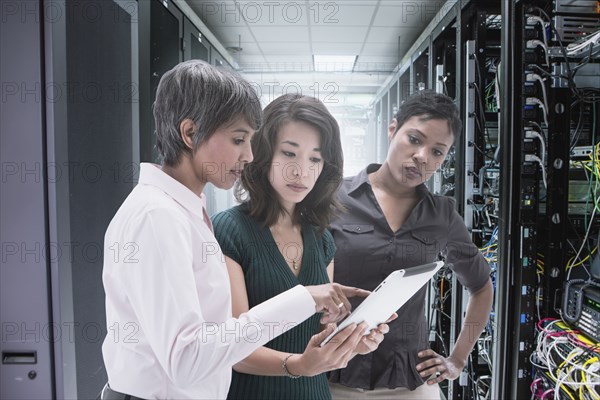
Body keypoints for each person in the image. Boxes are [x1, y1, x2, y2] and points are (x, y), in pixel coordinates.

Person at [100, 61, 370, 400]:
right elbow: (186, 360)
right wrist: (303, 299)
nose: (249, 155)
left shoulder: (183, 213)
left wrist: (343, 336)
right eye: (239, 139)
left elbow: (214, 339)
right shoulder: (158, 217)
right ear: (189, 133)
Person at [212, 94, 394, 400]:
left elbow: (317, 343)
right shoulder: (229, 230)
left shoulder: (321, 239)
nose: (301, 171)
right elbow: (234, 349)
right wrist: (297, 366)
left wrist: (352, 344)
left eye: (315, 158)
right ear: (263, 153)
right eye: (289, 153)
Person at [328, 90, 494, 399]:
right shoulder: (334, 198)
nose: (422, 157)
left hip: (408, 381)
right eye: (415, 140)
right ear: (393, 130)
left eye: (437, 152)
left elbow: (482, 287)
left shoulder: (441, 215)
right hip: (332, 375)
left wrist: (457, 360)